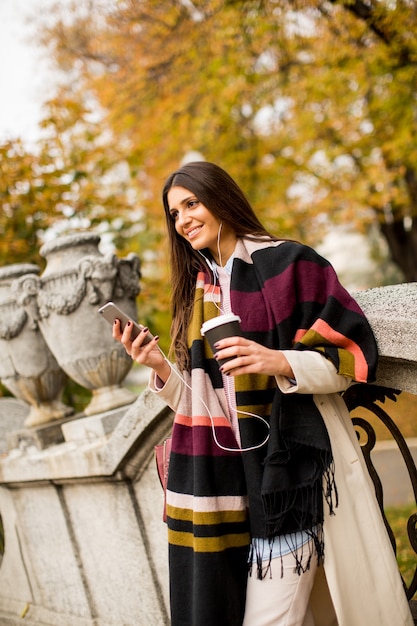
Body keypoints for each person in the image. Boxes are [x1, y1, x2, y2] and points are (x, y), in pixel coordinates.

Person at [113, 161, 413, 626]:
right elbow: (210, 407)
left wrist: (279, 361)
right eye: (174, 213)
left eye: (191, 203)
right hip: (238, 490)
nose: (183, 219)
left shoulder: (292, 263)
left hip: (295, 476)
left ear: (222, 198)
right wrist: (158, 367)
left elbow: (351, 357)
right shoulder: (202, 293)